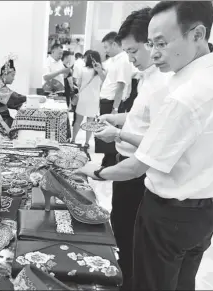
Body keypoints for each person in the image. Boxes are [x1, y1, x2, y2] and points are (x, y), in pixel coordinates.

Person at [76, 2, 213, 290]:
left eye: (161, 43)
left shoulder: (187, 94)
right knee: (183, 282)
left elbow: (138, 166)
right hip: (204, 211)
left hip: (168, 215)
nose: (155, 52)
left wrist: (95, 172)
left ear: (197, 35)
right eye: (151, 43)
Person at [87, 8, 173, 290]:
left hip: (138, 173)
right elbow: (142, 120)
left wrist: (117, 135)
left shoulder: (163, 83)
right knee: (122, 230)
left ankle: (125, 282)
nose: (131, 57)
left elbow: (156, 141)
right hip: (129, 168)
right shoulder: (148, 78)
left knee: (128, 237)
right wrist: (116, 120)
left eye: (134, 50)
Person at [96, 31, 135, 167]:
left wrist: (115, 108)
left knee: (110, 135)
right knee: (103, 133)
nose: (105, 51)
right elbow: (108, 81)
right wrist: (100, 71)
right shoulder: (114, 60)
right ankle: (107, 161)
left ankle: (110, 163)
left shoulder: (123, 59)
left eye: (106, 47)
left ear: (114, 44)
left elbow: (120, 85)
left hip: (113, 101)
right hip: (106, 99)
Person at [0, 58, 27, 138]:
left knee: (19, 126)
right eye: (12, 75)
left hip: (1, 115)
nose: (14, 78)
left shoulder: (0, 85)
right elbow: (13, 99)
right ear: (5, 73)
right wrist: (29, 99)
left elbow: (12, 100)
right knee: (17, 132)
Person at [71, 50, 102, 148]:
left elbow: (79, 84)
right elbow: (103, 83)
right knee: (90, 122)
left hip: (83, 98)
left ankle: (73, 140)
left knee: (77, 121)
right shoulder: (100, 71)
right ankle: (87, 143)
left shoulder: (83, 70)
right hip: (94, 99)